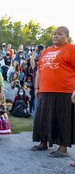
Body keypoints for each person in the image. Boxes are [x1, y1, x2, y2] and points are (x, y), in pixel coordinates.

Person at [30, 26, 75, 158]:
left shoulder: (71, 49)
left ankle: (62, 148)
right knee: (43, 118)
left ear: (66, 36)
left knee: (62, 120)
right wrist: (37, 88)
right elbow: (39, 70)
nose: (55, 36)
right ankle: (43, 142)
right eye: (54, 34)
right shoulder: (46, 51)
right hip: (45, 90)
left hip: (64, 90)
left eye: (59, 34)